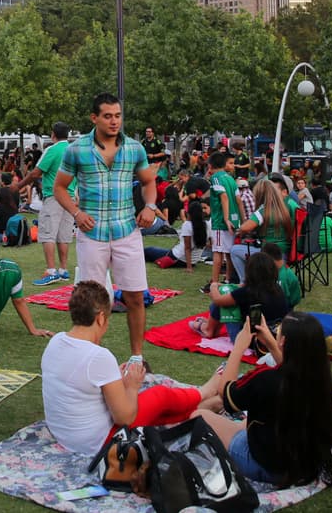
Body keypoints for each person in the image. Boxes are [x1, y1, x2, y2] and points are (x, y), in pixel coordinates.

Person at [40, 280, 219, 456]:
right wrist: (132, 386)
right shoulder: (98, 356)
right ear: (101, 318)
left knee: (154, 410)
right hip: (96, 442)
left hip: (64, 435)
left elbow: (81, 381)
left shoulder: (56, 341)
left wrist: (114, 378)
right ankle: (204, 392)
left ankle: (201, 408)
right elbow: (125, 418)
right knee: (159, 396)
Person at [54, 93, 158, 370]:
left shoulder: (135, 148)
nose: (114, 121)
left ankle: (136, 357)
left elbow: (149, 182)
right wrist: (76, 213)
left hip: (127, 230)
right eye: (108, 116)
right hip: (92, 233)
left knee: (135, 295)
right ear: (94, 118)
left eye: (118, 115)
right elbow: (59, 187)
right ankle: (91, 354)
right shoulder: (76, 149)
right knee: (92, 299)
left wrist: (150, 206)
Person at [196, 312, 332, 488]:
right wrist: (271, 343)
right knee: (250, 417)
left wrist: (239, 347)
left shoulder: (267, 380)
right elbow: (290, 372)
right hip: (306, 465)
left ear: (284, 341)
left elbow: (227, 394)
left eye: (278, 330)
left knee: (199, 415)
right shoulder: (320, 380)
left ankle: (203, 403)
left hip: (267, 466)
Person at [199, 252, 292, 341]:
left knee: (224, 298)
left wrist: (214, 285)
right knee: (228, 296)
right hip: (275, 333)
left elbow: (218, 300)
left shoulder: (248, 291)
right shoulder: (277, 288)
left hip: (248, 339)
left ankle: (208, 329)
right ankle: (209, 326)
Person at [229, 179, 297, 281]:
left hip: (268, 252)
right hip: (284, 251)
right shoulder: (286, 205)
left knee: (234, 250)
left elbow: (245, 228)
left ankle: (246, 282)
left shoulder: (264, 210)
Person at [144, 188, 208, 270]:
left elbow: (187, 248)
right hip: (193, 260)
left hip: (177, 258)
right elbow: (208, 243)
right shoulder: (207, 225)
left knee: (149, 250)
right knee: (153, 253)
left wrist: (189, 267)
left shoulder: (187, 225)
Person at [207, 151, 241, 284]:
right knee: (228, 252)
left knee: (218, 252)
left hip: (221, 221)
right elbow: (238, 200)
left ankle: (214, 283)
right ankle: (228, 279)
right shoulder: (231, 179)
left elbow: (224, 197)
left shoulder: (216, 178)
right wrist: (242, 220)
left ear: (210, 165)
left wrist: (225, 219)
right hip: (234, 220)